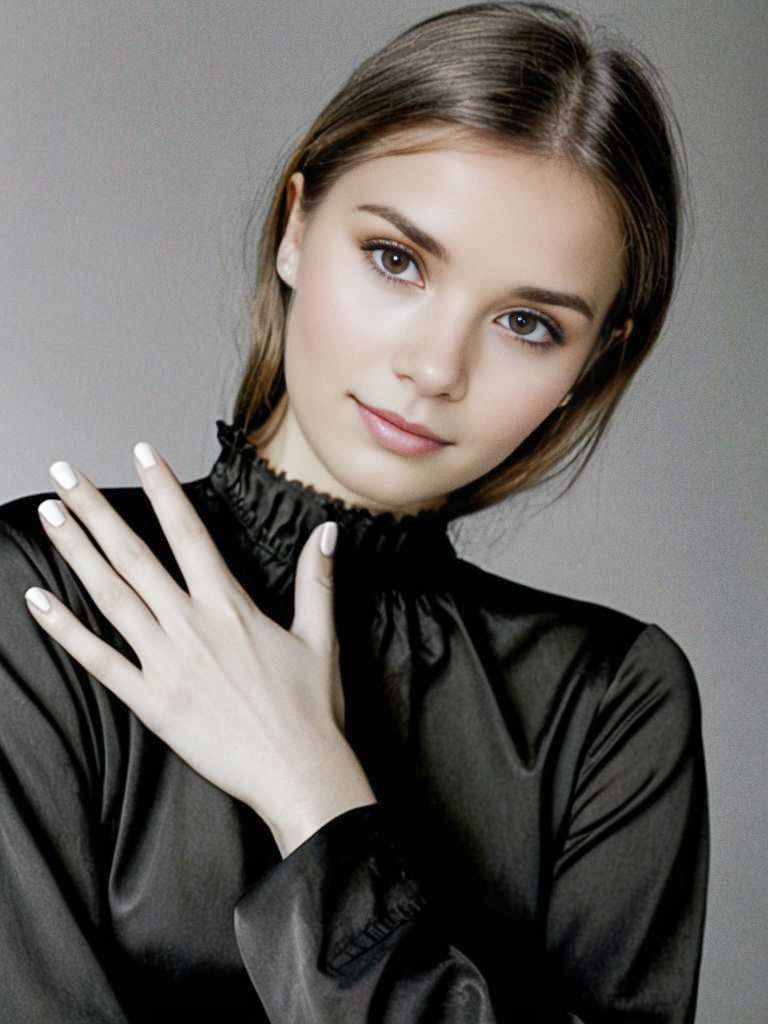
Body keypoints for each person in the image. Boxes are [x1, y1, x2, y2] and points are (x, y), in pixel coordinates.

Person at [0, 2, 709, 1021]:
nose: (432, 367)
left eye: (525, 323)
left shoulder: (609, 705)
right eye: (397, 259)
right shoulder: (46, 592)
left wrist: (315, 795)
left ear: (590, 364)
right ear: (296, 227)